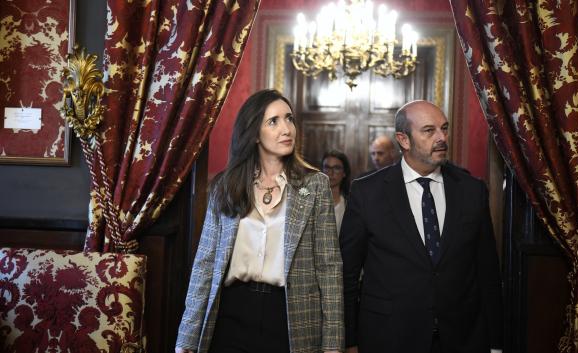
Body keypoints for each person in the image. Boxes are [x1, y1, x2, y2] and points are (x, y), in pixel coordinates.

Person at [176, 89, 344, 353]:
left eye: (289, 119)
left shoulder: (315, 186)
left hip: (290, 317)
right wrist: (187, 336)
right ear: (254, 133)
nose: (286, 128)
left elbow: (329, 267)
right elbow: (205, 264)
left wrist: (333, 343)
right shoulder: (225, 186)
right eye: (273, 121)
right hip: (231, 312)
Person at [340, 100, 502, 353]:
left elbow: (488, 272)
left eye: (444, 128)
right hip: (389, 337)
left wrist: (495, 344)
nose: (441, 138)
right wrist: (349, 341)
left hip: (462, 337)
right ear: (403, 140)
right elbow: (347, 275)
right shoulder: (367, 193)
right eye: (429, 130)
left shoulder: (472, 190)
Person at [321, 150, 351, 235]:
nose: (331, 173)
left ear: (344, 173)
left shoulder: (349, 204)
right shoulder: (312, 200)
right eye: (327, 167)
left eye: (336, 168)